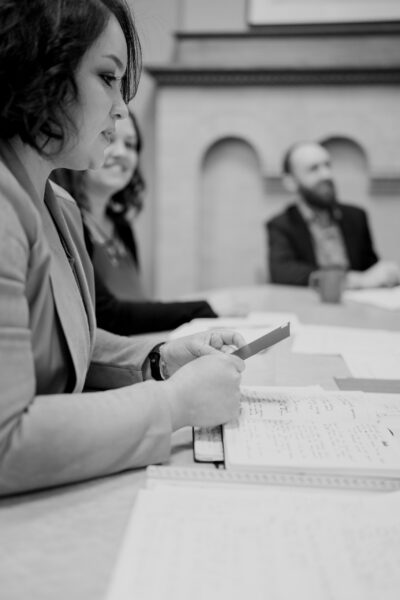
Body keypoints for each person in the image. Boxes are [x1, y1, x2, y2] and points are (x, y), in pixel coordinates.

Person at [0, 0, 245, 496]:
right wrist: (175, 404)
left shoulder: (60, 205)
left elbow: (68, 345)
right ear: (41, 69)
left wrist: (158, 359)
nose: (122, 107)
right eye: (108, 77)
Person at [52, 112, 218, 335]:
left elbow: (137, 308)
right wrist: (201, 308)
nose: (122, 153)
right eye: (109, 138)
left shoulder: (122, 228)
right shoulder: (65, 222)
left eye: (130, 145)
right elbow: (107, 317)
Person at [266, 141, 400, 288]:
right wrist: (350, 280)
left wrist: (385, 274)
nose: (326, 174)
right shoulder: (282, 224)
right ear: (291, 182)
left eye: (327, 165)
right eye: (314, 169)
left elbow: (370, 267)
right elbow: (282, 273)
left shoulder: (356, 217)